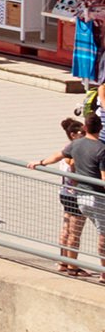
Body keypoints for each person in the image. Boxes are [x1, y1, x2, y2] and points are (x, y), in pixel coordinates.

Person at [35, 115, 105, 277]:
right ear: (101, 128)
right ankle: (90, 270)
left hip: (77, 196)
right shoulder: (101, 149)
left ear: (85, 128)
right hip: (94, 196)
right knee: (90, 234)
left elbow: (56, 156)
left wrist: (40, 162)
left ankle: (65, 263)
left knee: (68, 230)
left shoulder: (75, 145)